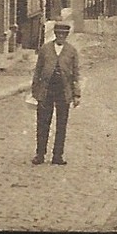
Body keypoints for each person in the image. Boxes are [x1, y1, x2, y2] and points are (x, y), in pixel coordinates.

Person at [31, 17, 81, 166]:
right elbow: (38, 71)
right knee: (43, 123)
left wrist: (76, 94)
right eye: (58, 34)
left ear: (66, 36)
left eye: (63, 35)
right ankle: (40, 154)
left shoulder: (71, 51)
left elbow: (76, 73)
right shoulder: (45, 49)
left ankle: (57, 155)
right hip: (46, 91)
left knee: (61, 124)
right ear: (54, 34)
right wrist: (35, 91)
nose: (60, 37)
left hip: (63, 91)